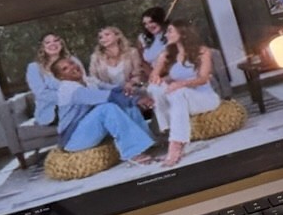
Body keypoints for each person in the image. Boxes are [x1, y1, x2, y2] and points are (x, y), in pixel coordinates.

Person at [31, 53, 156, 162]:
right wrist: (137, 100)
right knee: (107, 108)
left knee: (127, 105)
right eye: (65, 69)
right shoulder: (68, 89)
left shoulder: (88, 81)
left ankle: (144, 141)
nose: (72, 67)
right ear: (61, 77)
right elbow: (107, 96)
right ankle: (132, 152)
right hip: (74, 139)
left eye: (71, 63)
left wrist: (130, 89)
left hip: (88, 130)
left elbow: (112, 89)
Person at [143, 19, 220, 168]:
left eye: (170, 31)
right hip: (181, 99)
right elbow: (154, 78)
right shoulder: (169, 53)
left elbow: (203, 79)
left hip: (204, 98)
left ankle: (175, 147)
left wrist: (181, 84)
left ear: (183, 33)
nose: (166, 34)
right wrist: (160, 61)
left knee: (180, 92)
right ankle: (170, 132)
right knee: (154, 88)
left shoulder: (203, 51)